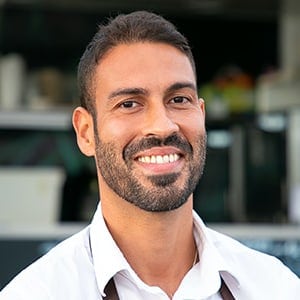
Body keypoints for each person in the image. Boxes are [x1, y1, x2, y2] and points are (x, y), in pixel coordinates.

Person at [1, 10, 299, 300]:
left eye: (179, 99)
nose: (162, 125)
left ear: (201, 115)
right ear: (85, 133)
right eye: (129, 104)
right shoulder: (39, 293)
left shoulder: (274, 287)